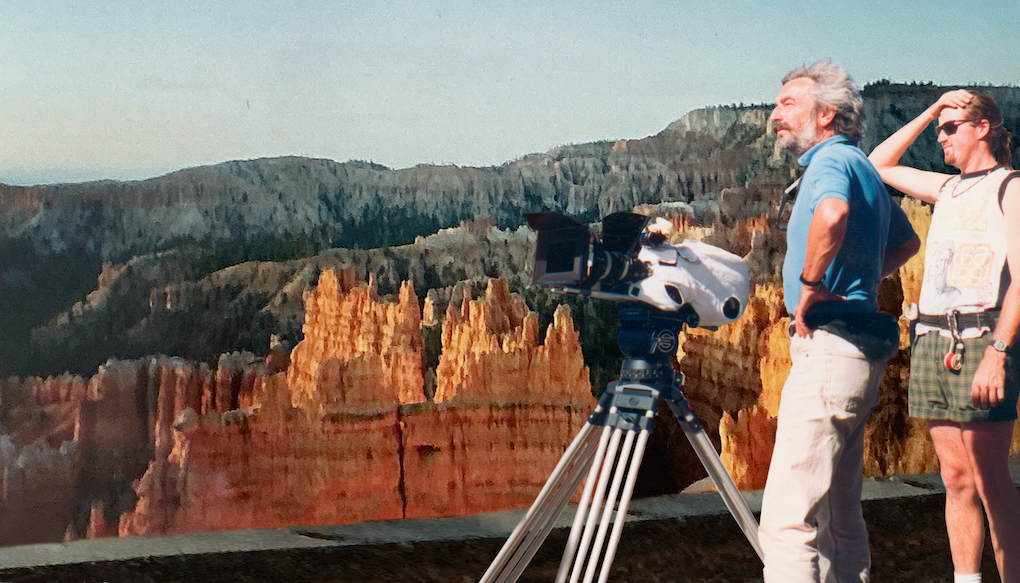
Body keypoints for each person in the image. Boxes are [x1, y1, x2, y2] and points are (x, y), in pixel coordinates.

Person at [758, 59, 921, 583]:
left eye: (788, 104)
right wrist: (860, 278)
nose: (775, 114)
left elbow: (832, 215)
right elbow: (907, 242)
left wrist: (811, 285)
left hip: (828, 350)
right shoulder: (862, 166)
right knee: (839, 515)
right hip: (858, 353)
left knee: (787, 523)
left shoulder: (829, 162)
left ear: (826, 115)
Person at [869, 89, 1020, 583]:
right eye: (939, 129)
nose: (941, 137)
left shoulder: (1010, 188)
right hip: (932, 340)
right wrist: (933, 110)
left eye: (951, 127)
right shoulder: (948, 188)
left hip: (980, 339)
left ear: (983, 128)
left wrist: (998, 352)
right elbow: (879, 164)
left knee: (991, 480)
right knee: (955, 478)